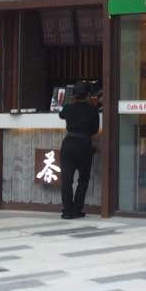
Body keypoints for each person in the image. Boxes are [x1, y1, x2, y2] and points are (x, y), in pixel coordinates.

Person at [58, 81, 100, 220]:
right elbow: (94, 130)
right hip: (84, 145)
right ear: (88, 95)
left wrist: (70, 102)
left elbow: (61, 114)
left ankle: (67, 211)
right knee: (83, 179)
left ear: (74, 95)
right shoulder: (93, 110)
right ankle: (76, 210)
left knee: (66, 180)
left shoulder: (68, 108)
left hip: (69, 144)